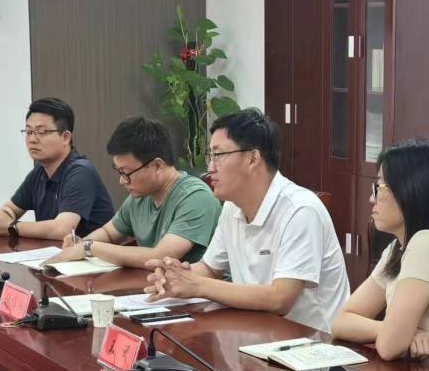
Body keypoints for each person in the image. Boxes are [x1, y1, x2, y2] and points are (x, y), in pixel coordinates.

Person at [144, 108, 349, 332]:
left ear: (253, 158)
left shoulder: (300, 210)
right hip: (256, 333)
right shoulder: (232, 207)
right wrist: (175, 276)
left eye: (218, 155)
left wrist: (197, 285)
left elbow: (280, 299)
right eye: (210, 156)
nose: (210, 167)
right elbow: (210, 268)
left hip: (311, 342)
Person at [331, 139, 429, 371]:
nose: (371, 199)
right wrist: (403, 332)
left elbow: (389, 347)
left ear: (412, 190)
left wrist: (395, 334)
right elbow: (341, 321)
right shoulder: (398, 249)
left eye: (379, 187)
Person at [41, 117, 220, 268]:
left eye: (126, 173)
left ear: (157, 166)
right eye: (119, 172)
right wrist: (80, 244)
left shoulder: (196, 198)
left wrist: (89, 247)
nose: (122, 181)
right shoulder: (141, 195)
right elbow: (109, 232)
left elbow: (160, 257)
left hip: (200, 295)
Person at [0, 97, 113, 239]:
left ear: (65, 137)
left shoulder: (81, 172)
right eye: (29, 132)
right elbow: (11, 209)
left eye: (42, 132)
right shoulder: (40, 171)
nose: (32, 139)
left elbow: (63, 229)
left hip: (92, 252)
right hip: (56, 251)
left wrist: (10, 226)